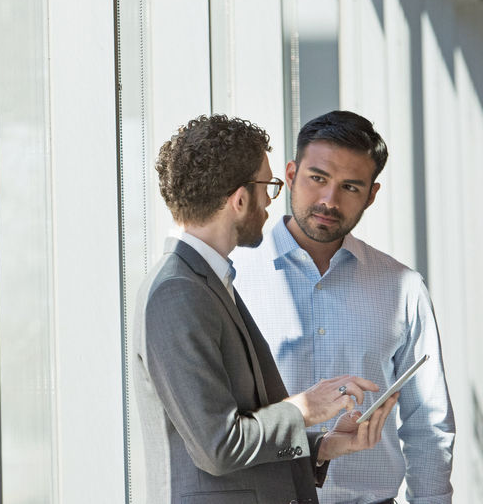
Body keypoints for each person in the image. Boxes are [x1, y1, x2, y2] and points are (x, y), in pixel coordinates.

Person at [134, 113, 398, 504]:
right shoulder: (178, 291)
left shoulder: (208, 280)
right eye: (268, 186)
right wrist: (305, 408)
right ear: (240, 200)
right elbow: (218, 446)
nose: (271, 202)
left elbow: (239, 433)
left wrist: (322, 446)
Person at [232, 110, 455, 504]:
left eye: (350, 187)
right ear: (291, 174)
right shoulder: (235, 279)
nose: (328, 200)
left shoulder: (402, 288)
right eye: (317, 178)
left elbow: (428, 424)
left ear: (371, 194)